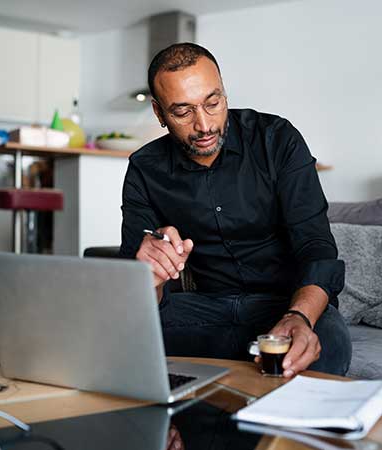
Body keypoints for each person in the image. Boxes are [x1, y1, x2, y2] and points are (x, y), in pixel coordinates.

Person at [119, 43, 351, 377]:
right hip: (204, 311)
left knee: (327, 344)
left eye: (213, 103)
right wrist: (150, 273)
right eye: (182, 112)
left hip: (285, 306)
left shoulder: (277, 140)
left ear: (224, 93)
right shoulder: (145, 168)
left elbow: (316, 247)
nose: (204, 125)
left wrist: (298, 317)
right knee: (116, 340)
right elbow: (139, 296)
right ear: (159, 113)